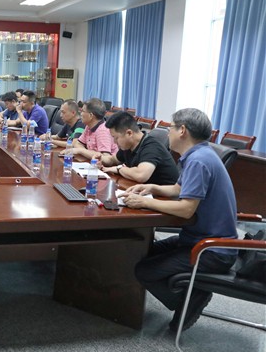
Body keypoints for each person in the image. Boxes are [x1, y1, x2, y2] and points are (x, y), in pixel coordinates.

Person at [121, 108, 238, 332]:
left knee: (144, 271)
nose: (168, 133)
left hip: (212, 250)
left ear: (182, 130)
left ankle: (191, 299)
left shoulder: (199, 160)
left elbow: (186, 209)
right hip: (197, 238)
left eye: (171, 128)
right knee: (141, 252)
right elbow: (178, 189)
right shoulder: (199, 154)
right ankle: (189, 293)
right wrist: (152, 188)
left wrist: (144, 202)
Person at [97, 111, 179, 185]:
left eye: (116, 138)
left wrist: (119, 169)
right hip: (144, 190)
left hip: (163, 195)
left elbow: (140, 175)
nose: (115, 142)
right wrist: (100, 159)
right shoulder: (128, 145)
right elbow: (113, 160)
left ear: (129, 133)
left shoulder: (151, 147)